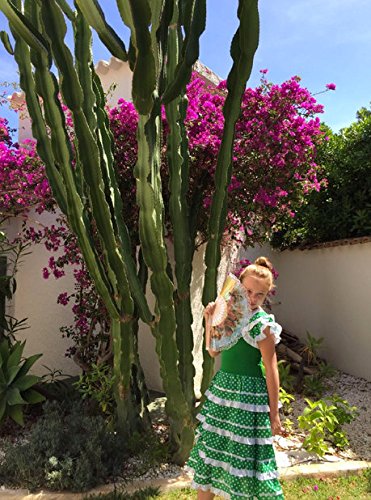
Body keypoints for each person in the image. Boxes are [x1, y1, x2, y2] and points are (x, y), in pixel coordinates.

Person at [186, 257, 285, 499]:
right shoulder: (229, 315)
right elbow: (213, 350)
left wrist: (274, 413)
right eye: (248, 291)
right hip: (223, 393)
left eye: (259, 295)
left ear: (266, 296)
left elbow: (271, 370)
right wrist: (210, 319)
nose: (252, 299)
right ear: (239, 286)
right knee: (211, 451)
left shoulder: (262, 326)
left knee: (243, 460)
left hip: (248, 397)